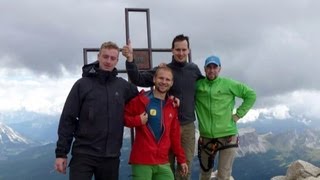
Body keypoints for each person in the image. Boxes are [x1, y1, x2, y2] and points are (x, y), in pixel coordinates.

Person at [54, 41, 138, 180]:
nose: (108, 61)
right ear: (98, 56)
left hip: (110, 157)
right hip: (83, 154)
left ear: (117, 61)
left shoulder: (122, 87)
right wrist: (61, 153)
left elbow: (143, 99)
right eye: (105, 57)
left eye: (113, 58)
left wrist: (170, 98)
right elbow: (68, 119)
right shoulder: (82, 85)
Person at [122, 34, 202, 180]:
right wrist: (130, 59)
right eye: (178, 49)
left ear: (188, 51)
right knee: (167, 165)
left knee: (186, 168)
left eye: (184, 50)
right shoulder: (164, 70)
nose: (181, 53)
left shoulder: (194, 70)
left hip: (188, 125)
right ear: (172, 50)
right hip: (166, 124)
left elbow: (205, 89)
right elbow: (137, 78)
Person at [195, 55, 257, 180]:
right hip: (206, 136)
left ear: (219, 69)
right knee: (205, 174)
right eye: (209, 67)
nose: (212, 70)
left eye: (214, 67)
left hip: (228, 136)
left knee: (224, 175)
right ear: (204, 69)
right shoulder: (198, 85)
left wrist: (238, 114)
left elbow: (251, 94)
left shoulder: (228, 84)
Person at [124, 65, 188, 179]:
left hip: (162, 161)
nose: (164, 82)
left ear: (172, 83)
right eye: (161, 78)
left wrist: (182, 160)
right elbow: (121, 118)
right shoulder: (141, 100)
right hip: (142, 160)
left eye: (167, 79)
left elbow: (174, 136)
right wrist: (137, 120)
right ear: (154, 79)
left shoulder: (172, 106)